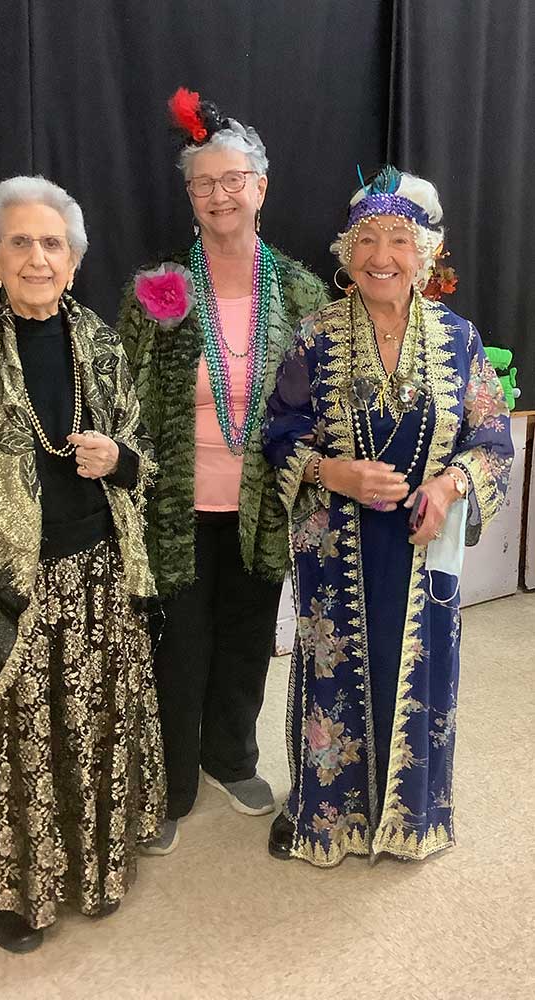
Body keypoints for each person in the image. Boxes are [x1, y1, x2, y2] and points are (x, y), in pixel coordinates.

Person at [0, 176, 166, 951]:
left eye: (51, 243)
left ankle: (89, 868)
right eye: (18, 242)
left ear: (75, 261)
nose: (36, 257)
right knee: (10, 745)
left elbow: (142, 460)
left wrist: (117, 458)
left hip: (94, 577)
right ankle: (15, 895)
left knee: (85, 734)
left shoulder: (102, 345)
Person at [262, 165, 513, 866]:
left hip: (422, 546)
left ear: (423, 254)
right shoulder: (313, 338)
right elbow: (279, 432)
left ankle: (411, 817)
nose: (381, 256)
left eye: (398, 240)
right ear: (346, 254)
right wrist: (330, 470)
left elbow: (492, 440)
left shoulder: (459, 339)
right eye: (367, 240)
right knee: (335, 677)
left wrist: (452, 486)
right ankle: (331, 817)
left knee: (418, 675)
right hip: (335, 547)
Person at [116, 89, 328, 853]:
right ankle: (169, 782)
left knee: (245, 635)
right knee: (177, 643)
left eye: (232, 179)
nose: (218, 195)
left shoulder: (303, 293)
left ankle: (230, 755)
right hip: (173, 503)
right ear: (189, 196)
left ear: (260, 188)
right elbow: (122, 398)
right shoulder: (157, 290)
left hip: (265, 504)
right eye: (202, 184)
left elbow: (320, 406)